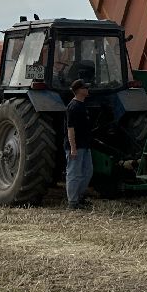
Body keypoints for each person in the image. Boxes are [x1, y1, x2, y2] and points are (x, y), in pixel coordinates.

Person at [64, 79, 94, 211]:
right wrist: (73, 148)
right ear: (79, 90)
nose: (87, 89)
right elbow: (70, 129)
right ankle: (73, 202)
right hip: (76, 147)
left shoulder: (82, 105)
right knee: (74, 173)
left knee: (88, 171)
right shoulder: (73, 107)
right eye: (85, 88)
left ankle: (80, 197)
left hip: (85, 146)